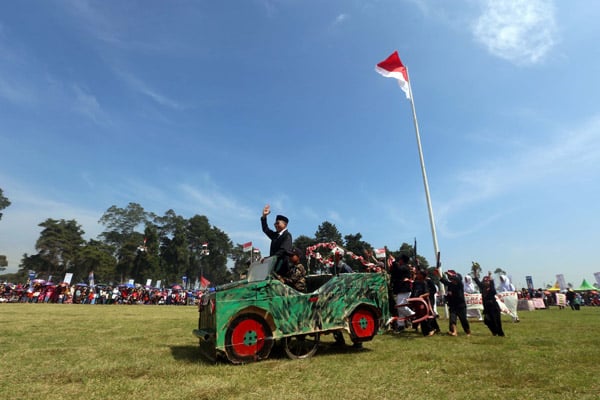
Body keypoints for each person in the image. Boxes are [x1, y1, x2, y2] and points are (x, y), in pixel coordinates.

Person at [261, 204, 293, 276]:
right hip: (273, 268)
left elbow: (283, 250)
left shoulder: (287, 235)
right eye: (275, 223)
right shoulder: (275, 235)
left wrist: (269, 258)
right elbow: (265, 229)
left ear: (285, 224)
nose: (275, 225)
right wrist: (264, 216)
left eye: (278, 223)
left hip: (283, 270)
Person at [439, 270, 471, 337]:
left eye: (453, 278)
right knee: (452, 320)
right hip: (453, 306)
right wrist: (439, 274)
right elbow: (443, 281)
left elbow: (457, 279)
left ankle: (468, 332)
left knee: (463, 320)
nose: (452, 279)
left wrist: (450, 274)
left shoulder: (460, 285)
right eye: (452, 278)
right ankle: (454, 332)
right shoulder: (450, 285)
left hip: (461, 306)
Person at [473, 271, 505, 336]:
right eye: (484, 281)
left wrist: (490, 276)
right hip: (487, 308)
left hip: (494, 308)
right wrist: (475, 272)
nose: (486, 282)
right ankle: (494, 331)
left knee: (497, 322)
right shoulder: (482, 288)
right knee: (486, 321)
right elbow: (477, 281)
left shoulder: (492, 289)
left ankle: (500, 334)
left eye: (487, 281)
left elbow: (492, 284)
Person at [389, 254, 415, 331]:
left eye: (399, 259)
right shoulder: (401, 267)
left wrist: (393, 261)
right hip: (400, 290)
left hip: (404, 289)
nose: (398, 260)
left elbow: (398, 269)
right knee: (400, 308)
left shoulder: (405, 267)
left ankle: (414, 315)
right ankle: (401, 325)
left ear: (402, 260)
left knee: (400, 306)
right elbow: (394, 272)